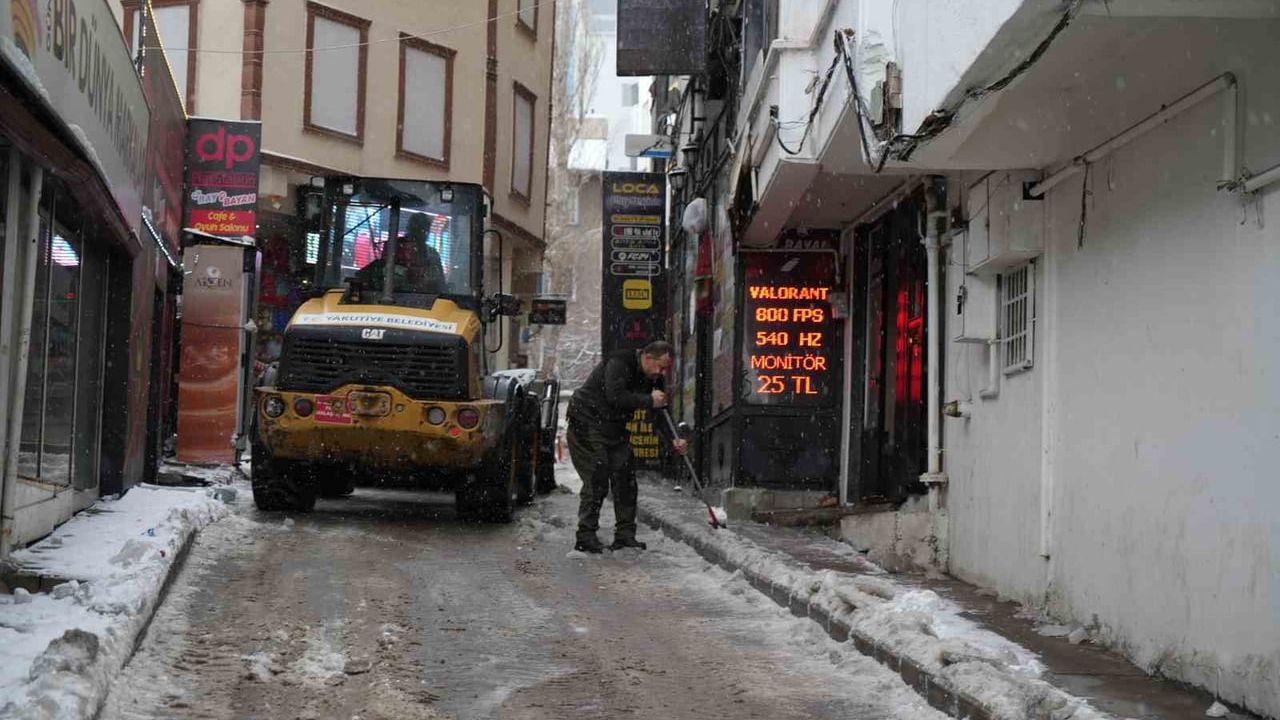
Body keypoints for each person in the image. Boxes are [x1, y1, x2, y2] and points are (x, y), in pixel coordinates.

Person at [566, 340, 688, 553]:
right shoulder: (619, 363)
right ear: (648, 357)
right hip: (587, 422)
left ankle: (625, 535)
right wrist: (649, 400)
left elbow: (659, 412)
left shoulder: (652, 378)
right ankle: (585, 535)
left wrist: (673, 438)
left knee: (625, 477)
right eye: (661, 366)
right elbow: (615, 397)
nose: (661, 373)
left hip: (614, 428)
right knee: (598, 475)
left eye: (666, 369)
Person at [354, 212, 446, 293]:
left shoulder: (432, 254)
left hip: (423, 298)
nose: (419, 232)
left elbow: (439, 284)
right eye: (415, 227)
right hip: (393, 295)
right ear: (409, 228)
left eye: (423, 229)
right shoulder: (392, 246)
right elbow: (384, 271)